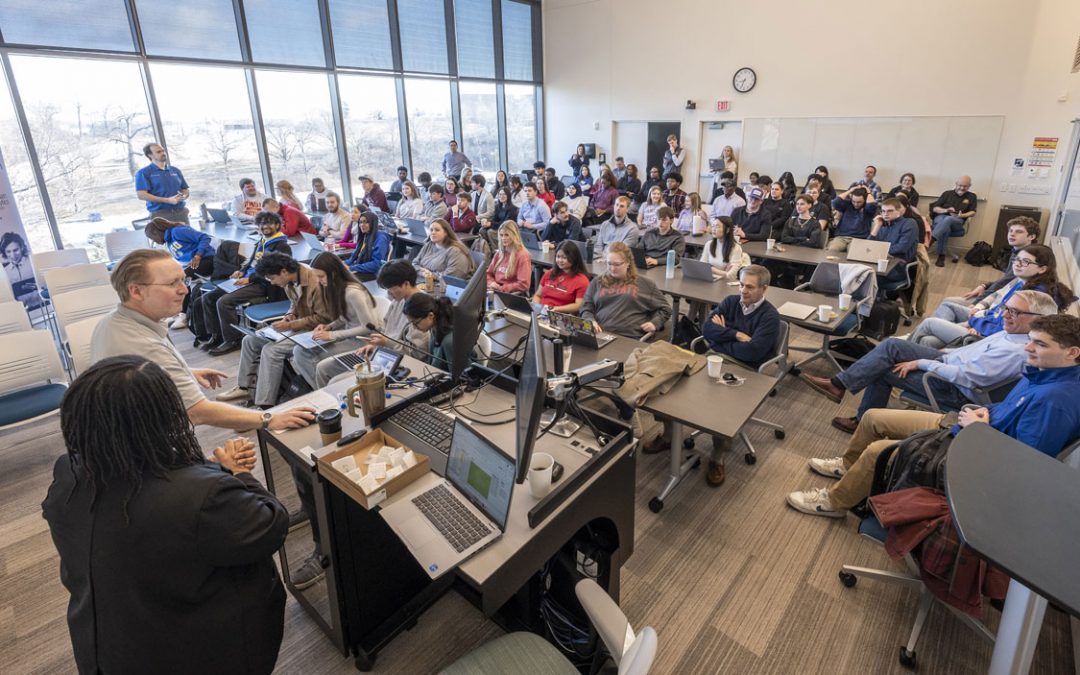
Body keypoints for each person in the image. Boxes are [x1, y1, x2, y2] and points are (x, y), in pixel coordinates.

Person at [42, 355, 289, 675]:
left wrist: (212, 472)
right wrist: (238, 474)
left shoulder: (68, 473)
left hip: (108, 645)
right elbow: (271, 524)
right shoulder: (201, 497)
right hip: (194, 651)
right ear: (164, 414)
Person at [787, 314, 1080, 518]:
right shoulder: (1040, 372)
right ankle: (849, 468)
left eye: (1040, 344)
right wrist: (986, 412)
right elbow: (1004, 408)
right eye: (1031, 340)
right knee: (874, 417)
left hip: (973, 449)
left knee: (879, 451)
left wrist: (979, 429)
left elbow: (1022, 463)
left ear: (1072, 353)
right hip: (966, 425)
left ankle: (835, 502)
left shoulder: (1056, 401)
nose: (1028, 347)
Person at [91, 248, 313, 431]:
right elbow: (198, 411)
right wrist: (269, 419)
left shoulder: (114, 323)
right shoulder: (142, 344)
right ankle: (261, 402)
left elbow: (146, 368)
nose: (184, 290)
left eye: (183, 280)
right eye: (172, 283)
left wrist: (183, 370)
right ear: (136, 291)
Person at [802, 290, 1057, 432]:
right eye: (1006, 308)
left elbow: (966, 377)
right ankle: (839, 385)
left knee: (883, 369)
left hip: (954, 388)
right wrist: (944, 354)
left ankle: (856, 414)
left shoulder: (1017, 350)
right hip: (950, 362)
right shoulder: (1013, 332)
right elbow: (971, 356)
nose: (1006, 315)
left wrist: (921, 363)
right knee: (891, 346)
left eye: (1015, 312)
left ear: (1038, 318)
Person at [216, 253, 333, 408]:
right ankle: (245, 388)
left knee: (272, 351)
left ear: (284, 271)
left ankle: (265, 404)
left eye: (272, 278)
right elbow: (294, 303)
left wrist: (290, 325)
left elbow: (323, 319)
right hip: (300, 325)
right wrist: (289, 315)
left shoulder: (314, 282)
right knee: (250, 340)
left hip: (316, 330)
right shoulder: (291, 279)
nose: (271, 282)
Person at [910, 244, 1073, 348]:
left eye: (1025, 262)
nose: (1017, 264)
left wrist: (975, 323)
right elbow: (998, 311)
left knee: (929, 327)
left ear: (1042, 269)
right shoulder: (1022, 282)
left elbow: (1006, 326)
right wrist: (977, 318)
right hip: (985, 326)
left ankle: (903, 354)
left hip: (989, 338)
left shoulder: (1035, 294)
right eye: (1017, 259)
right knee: (932, 334)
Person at [202, 210, 293, 355]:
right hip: (247, 279)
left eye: (269, 223)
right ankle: (217, 335)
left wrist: (250, 279)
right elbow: (252, 262)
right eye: (261, 224)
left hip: (263, 284)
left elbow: (274, 271)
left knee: (224, 302)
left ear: (277, 225)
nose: (265, 226)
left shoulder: (281, 246)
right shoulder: (262, 241)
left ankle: (233, 340)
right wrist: (241, 271)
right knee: (208, 297)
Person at [328, 260, 429, 386]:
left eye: (391, 289)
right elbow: (385, 329)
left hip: (399, 363)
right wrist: (374, 345)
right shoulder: (398, 300)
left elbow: (417, 353)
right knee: (325, 368)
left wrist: (386, 342)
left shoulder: (420, 307)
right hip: (383, 354)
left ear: (406, 284)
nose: (389, 293)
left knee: (335, 382)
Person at [291, 253, 381, 390]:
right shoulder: (338, 288)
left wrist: (332, 335)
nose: (319, 281)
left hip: (364, 341)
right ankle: (320, 390)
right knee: (299, 351)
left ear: (333, 273)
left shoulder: (353, 293)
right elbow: (346, 317)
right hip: (350, 337)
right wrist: (329, 327)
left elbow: (369, 327)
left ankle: (323, 392)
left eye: (321, 276)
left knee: (314, 359)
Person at [580, 241, 670, 339]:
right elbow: (586, 307)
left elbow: (666, 309)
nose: (612, 268)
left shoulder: (646, 284)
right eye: (609, 263)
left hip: (629, 336)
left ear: (628, 263)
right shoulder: (597, 282)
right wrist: (590, 321)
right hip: (600, 333)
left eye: (617, 264)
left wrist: (654, 323)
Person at [950, 216, 1040, 306]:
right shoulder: (1017, 252)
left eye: (1019, 232)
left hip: (1007, 302)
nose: (1012, 234)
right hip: (1002, 294)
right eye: (1010, 231)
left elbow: (1004, 284)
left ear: (1031, 236)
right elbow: (1006, 280)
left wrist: (976, 303)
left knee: (949, 302)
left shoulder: (1027, 259)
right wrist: (984, 286)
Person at [142, 217, 214, 327]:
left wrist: (198, 255)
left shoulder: (178, 231)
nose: (154, 241)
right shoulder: (169, 240)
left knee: (181, 280)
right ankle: (176, 312)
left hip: (207, 260)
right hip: (192, 263)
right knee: (170, 279)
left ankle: (183, 315)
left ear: (157, 232)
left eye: (152, 238)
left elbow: (204, 237)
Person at [135, 142, 190, 223]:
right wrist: (167, 200)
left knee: (186, 232)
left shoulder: (175, 170)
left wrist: (184, 196)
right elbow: (141, 195)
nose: (163, 153)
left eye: (163, 151)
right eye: (158, 152)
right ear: (150, 155)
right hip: (160, 215)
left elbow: (185, 189)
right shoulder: (143, 173)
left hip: (181, 212)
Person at [402, 293, 459, 371]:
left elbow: (459, 376)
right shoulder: (434, 330)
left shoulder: (449, 341)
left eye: (416, 323)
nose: (414, 327)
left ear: (430, 316)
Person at [929, 176, 978, 266]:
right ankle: (941, 256)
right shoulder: (947, 193)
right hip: (941, 217)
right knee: (945, 227)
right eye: (960, 185)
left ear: (969, 186)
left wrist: (961, 215)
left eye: (965, 186)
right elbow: (935, 208)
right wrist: (946, 210)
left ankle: (931, 240)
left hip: (957, 221)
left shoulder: (972, 196)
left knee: (949, 219)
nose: (962, 188)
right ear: (956, 184)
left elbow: (973, 212)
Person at [411, 218, 475, 285]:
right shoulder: (429, 244)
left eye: (437, 230)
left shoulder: (455, 251)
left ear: (446, 233)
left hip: (445, 286)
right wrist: (422, 272)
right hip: (425, 280)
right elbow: (415, 263)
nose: (433, 232)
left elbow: (452, 277)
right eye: (431, 230)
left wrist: (431, 275)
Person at [869, 197, 920, 282]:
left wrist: (877, 251)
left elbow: (900, 249)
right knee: (858, 272)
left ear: (899, 211)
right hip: (879, 263)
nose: (886, 214)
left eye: (890, 211)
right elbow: (868, 248)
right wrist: (876, 227)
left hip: (898, 267)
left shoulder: (909, 223)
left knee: (866, 276)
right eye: (883, 211)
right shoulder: (882, 226)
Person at [533, 240, 590, 314]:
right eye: (558, 257)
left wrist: (555, 309)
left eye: (564, 257)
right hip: (542, 312)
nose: (560, 260)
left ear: (574, 258)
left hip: (560, 314)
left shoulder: (582, 280)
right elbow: (537, 295)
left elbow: (578, 305)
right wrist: (537, 308)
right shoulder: (550, 273)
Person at [486, 221, 533, 294]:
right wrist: (491, 283)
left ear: (514, 235)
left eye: (507, 235)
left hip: (511, 294)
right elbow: (488, 274)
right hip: (495, 289)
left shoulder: (523, 255)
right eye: (501, 235)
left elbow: (524, 284)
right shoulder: (499, 253)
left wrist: (501, 288)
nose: (503, 238)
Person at [828, 186, 879, 251]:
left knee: (853, 252)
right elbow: (835, 202)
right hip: (841, 237)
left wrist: (868, 192)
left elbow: (871, 205)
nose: (856, 204)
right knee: (832, 249)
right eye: (853, 201)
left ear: (865, 200)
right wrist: (850, 191)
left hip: (859, 239)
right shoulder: (847, 204)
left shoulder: (868, 208)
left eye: (859, 202)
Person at [346, 210, 392, 281]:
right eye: (360, 222)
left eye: (365, 222)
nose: (362, 225)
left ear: (372, 223)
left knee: (341, 279)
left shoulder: (381, 238)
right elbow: (354, 256)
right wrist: (343, 264)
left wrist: (352, 268)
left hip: (373, 274)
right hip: (361, 269)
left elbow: (377, 264)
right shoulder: (365, 235)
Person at [700, 216, 746, 280]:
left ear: (727, 230)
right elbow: (702, 266)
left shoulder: (736, 248)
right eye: (713, 226)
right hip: (711, 279)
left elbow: (731, 275)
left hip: (726, 282)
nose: (713, 229)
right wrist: (724, 273)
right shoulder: (709, 244)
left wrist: (710, 268)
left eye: (717, 226)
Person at [1, 231, 37, 306]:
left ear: (22, 248)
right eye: (8, 251)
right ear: (4, 252)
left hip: (41, 306)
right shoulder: (4, 272)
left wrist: (38, 286)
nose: (13, 255)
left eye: (15, 250)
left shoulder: (34, 263)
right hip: (20, 309)